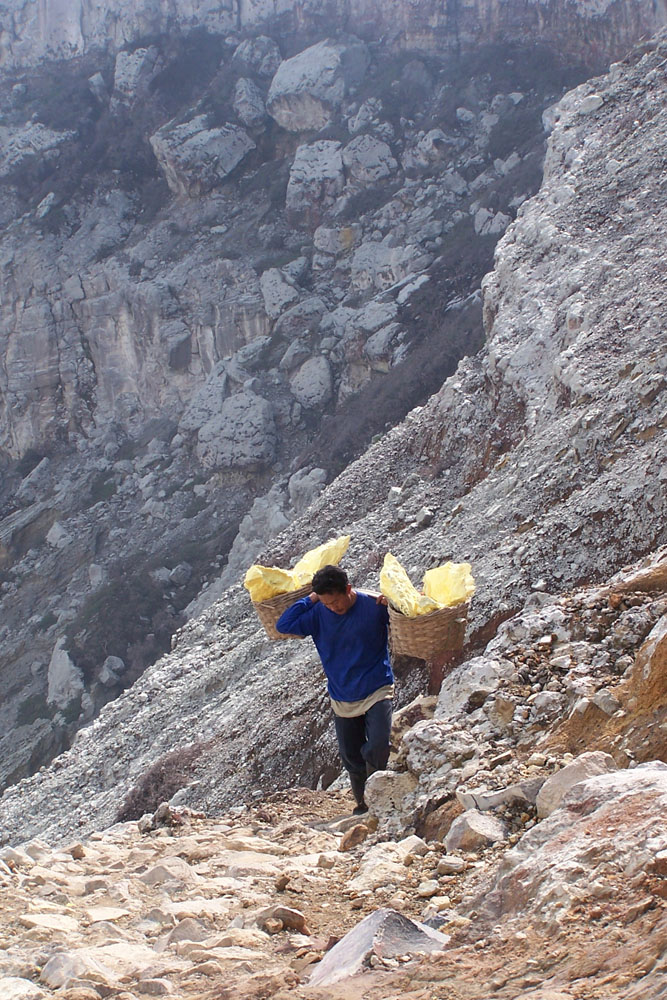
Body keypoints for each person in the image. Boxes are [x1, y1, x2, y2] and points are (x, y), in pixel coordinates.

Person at [275, 564, 394, 815]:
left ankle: (380, 796)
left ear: (348, 589)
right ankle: (364, 804)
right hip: (342, 694)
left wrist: (391, 602)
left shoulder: (372, 607)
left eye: (337, 602)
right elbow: (284, 625)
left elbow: (406, 614)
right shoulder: (318, 613)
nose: (334, 608)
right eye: (327, 603)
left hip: (377, 687)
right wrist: (311, 599)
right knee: (351, 756)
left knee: (378, 745)